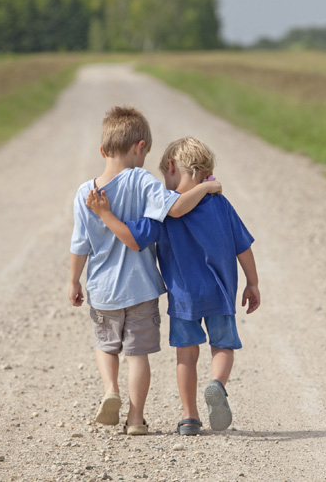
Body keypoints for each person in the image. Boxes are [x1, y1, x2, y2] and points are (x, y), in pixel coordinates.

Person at [85, 136, 260, 436]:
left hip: (184, 299)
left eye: (166, 174)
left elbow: (133, 238)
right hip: (220, 292)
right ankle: (217, 384)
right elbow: (243, 247)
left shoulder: (163, 212)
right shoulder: (220, 204)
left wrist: (106, 214)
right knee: (223, 347)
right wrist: (252, 284)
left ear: (170, 167)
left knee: (186, 356)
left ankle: (189, 417)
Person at [69, 108, 221, 436]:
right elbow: (177, 207)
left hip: (103, 289)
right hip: (140, 288)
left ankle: (111, 389)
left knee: (106, 344)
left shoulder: (85, 193)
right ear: (140, 147)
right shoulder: (141, 181)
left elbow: (80, 244)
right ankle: (136, 419)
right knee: (137, 355)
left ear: (102, 150)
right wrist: (207, 188)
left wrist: (73, 281)